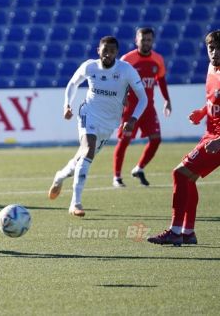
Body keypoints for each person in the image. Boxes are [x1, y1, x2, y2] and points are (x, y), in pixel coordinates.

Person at [47, 36, 148, 217]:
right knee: (87, 150)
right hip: (88, 114)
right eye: (104, 50)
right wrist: (67, 105)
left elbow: (143, 98)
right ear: (98, 50)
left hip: (109, 124)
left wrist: (133, 119)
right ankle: (75, 203)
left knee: (81, 160)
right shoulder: (90, 66)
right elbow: (73, 84)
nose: (108, 54)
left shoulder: (126, 70)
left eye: (112, 51)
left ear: (117, 53)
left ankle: (60, 175)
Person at [147, 30, 220, 246]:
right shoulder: (211, 68)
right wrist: (202, 112)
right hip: (210, 134)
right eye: (211, 48)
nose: (214, 53)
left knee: (179, 174)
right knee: (188, 178)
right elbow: (213, 103)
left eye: (219, 48)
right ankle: (188, 232)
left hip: (217, 139)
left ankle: (175, 231)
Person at [112, 28, 172, 187]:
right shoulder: (127, 59)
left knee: (156, 140)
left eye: (148, 40)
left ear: (152, 41)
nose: (146, 42)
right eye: (143, 39)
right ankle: (116, 177)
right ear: (136, 40)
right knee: (124, 141)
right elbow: (118, 82)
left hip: (148, 107)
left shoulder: (158, 59)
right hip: (130, 108)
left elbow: (161, 79)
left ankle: (139, 168)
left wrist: (167, 100)